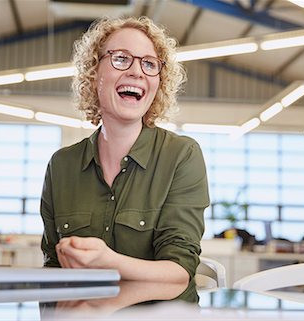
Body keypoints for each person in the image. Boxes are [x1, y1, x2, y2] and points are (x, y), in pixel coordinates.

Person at [40, 16, 209, 284]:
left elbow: (180, 271)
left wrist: (109, 263)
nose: (136, 71)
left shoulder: (181, 155)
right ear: (95, 74)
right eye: (121, 58)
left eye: (149, 64)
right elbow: (52, 265)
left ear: (159, 83)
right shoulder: (61, 165)